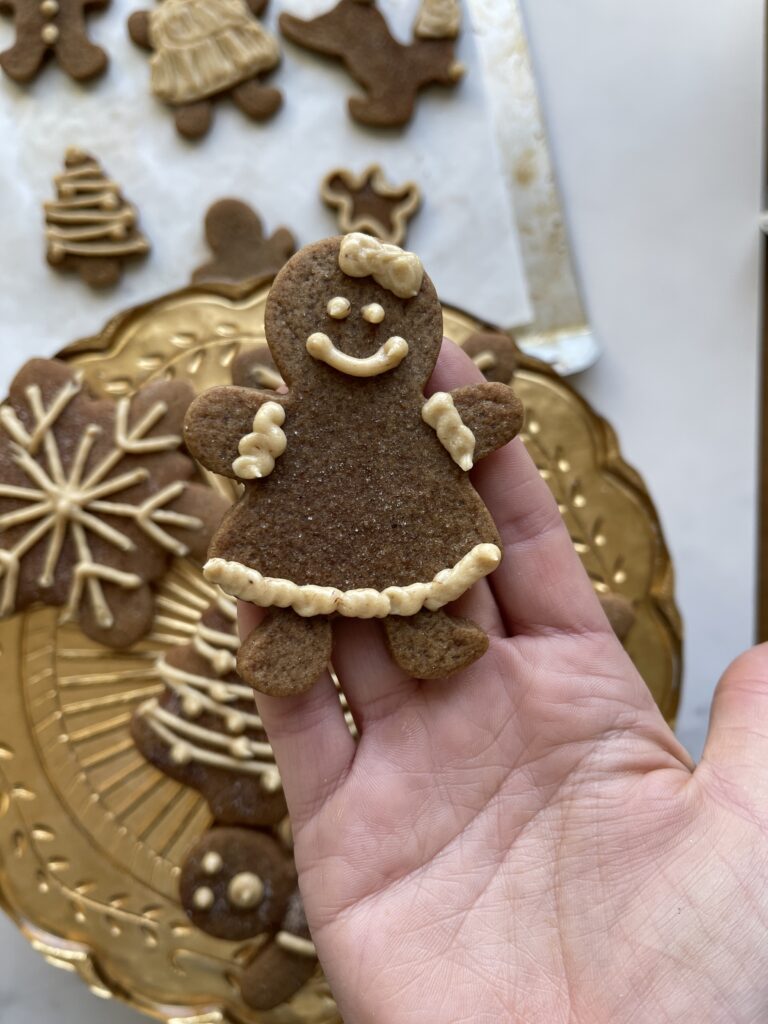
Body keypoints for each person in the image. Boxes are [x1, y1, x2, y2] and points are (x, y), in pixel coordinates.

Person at [241, 341, 768, 1023]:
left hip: (410, 516)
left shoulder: (417, 411)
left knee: (421, 593)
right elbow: (235, 429)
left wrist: (462, 427)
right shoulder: (298, 416)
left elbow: (477, 421)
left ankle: (419, 635)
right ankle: (303, 637)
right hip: (310, 512)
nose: (361, 334)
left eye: (379, 318)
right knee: (297, 594)